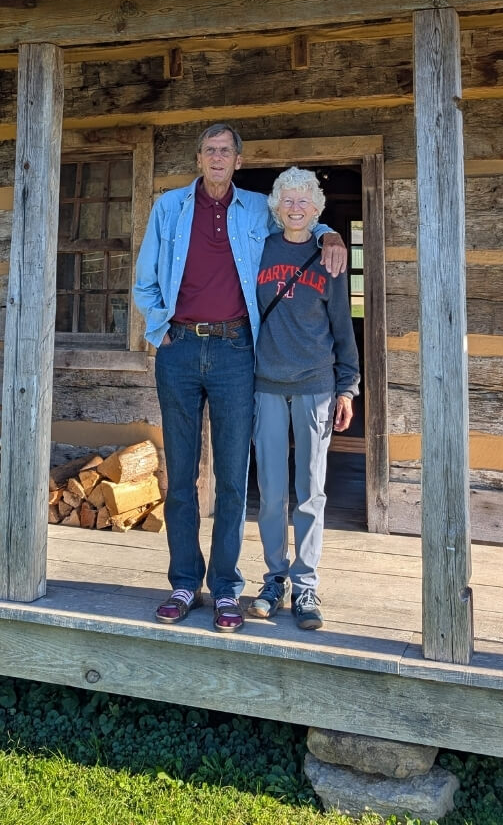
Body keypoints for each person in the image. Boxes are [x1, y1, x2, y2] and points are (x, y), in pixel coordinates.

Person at [133, 126, 346, 634]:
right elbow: (144, 279)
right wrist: (160, 329)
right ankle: (185, 581)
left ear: (238, 159)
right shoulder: (169, 208)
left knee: (232, 477)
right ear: (199, 157)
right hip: (179, 349)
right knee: (181, 477)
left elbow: (300, 220)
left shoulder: (254, 208)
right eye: (209, 150)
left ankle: (226, 587)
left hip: (234, 352)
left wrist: (330, 234)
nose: (217, 158)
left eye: (226, 151)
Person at [249, 167, 359, 630]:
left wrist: (347, 386)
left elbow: (342, 324)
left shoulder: (328, 255)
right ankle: (275, 577)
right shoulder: (258, 248)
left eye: (304, 201)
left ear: (316, 209)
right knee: (272, 494)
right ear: (276, 206)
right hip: (267, 385)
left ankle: (307, 583)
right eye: (287, 200)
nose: (295, 208)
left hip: (315, 385)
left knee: (310, 492)